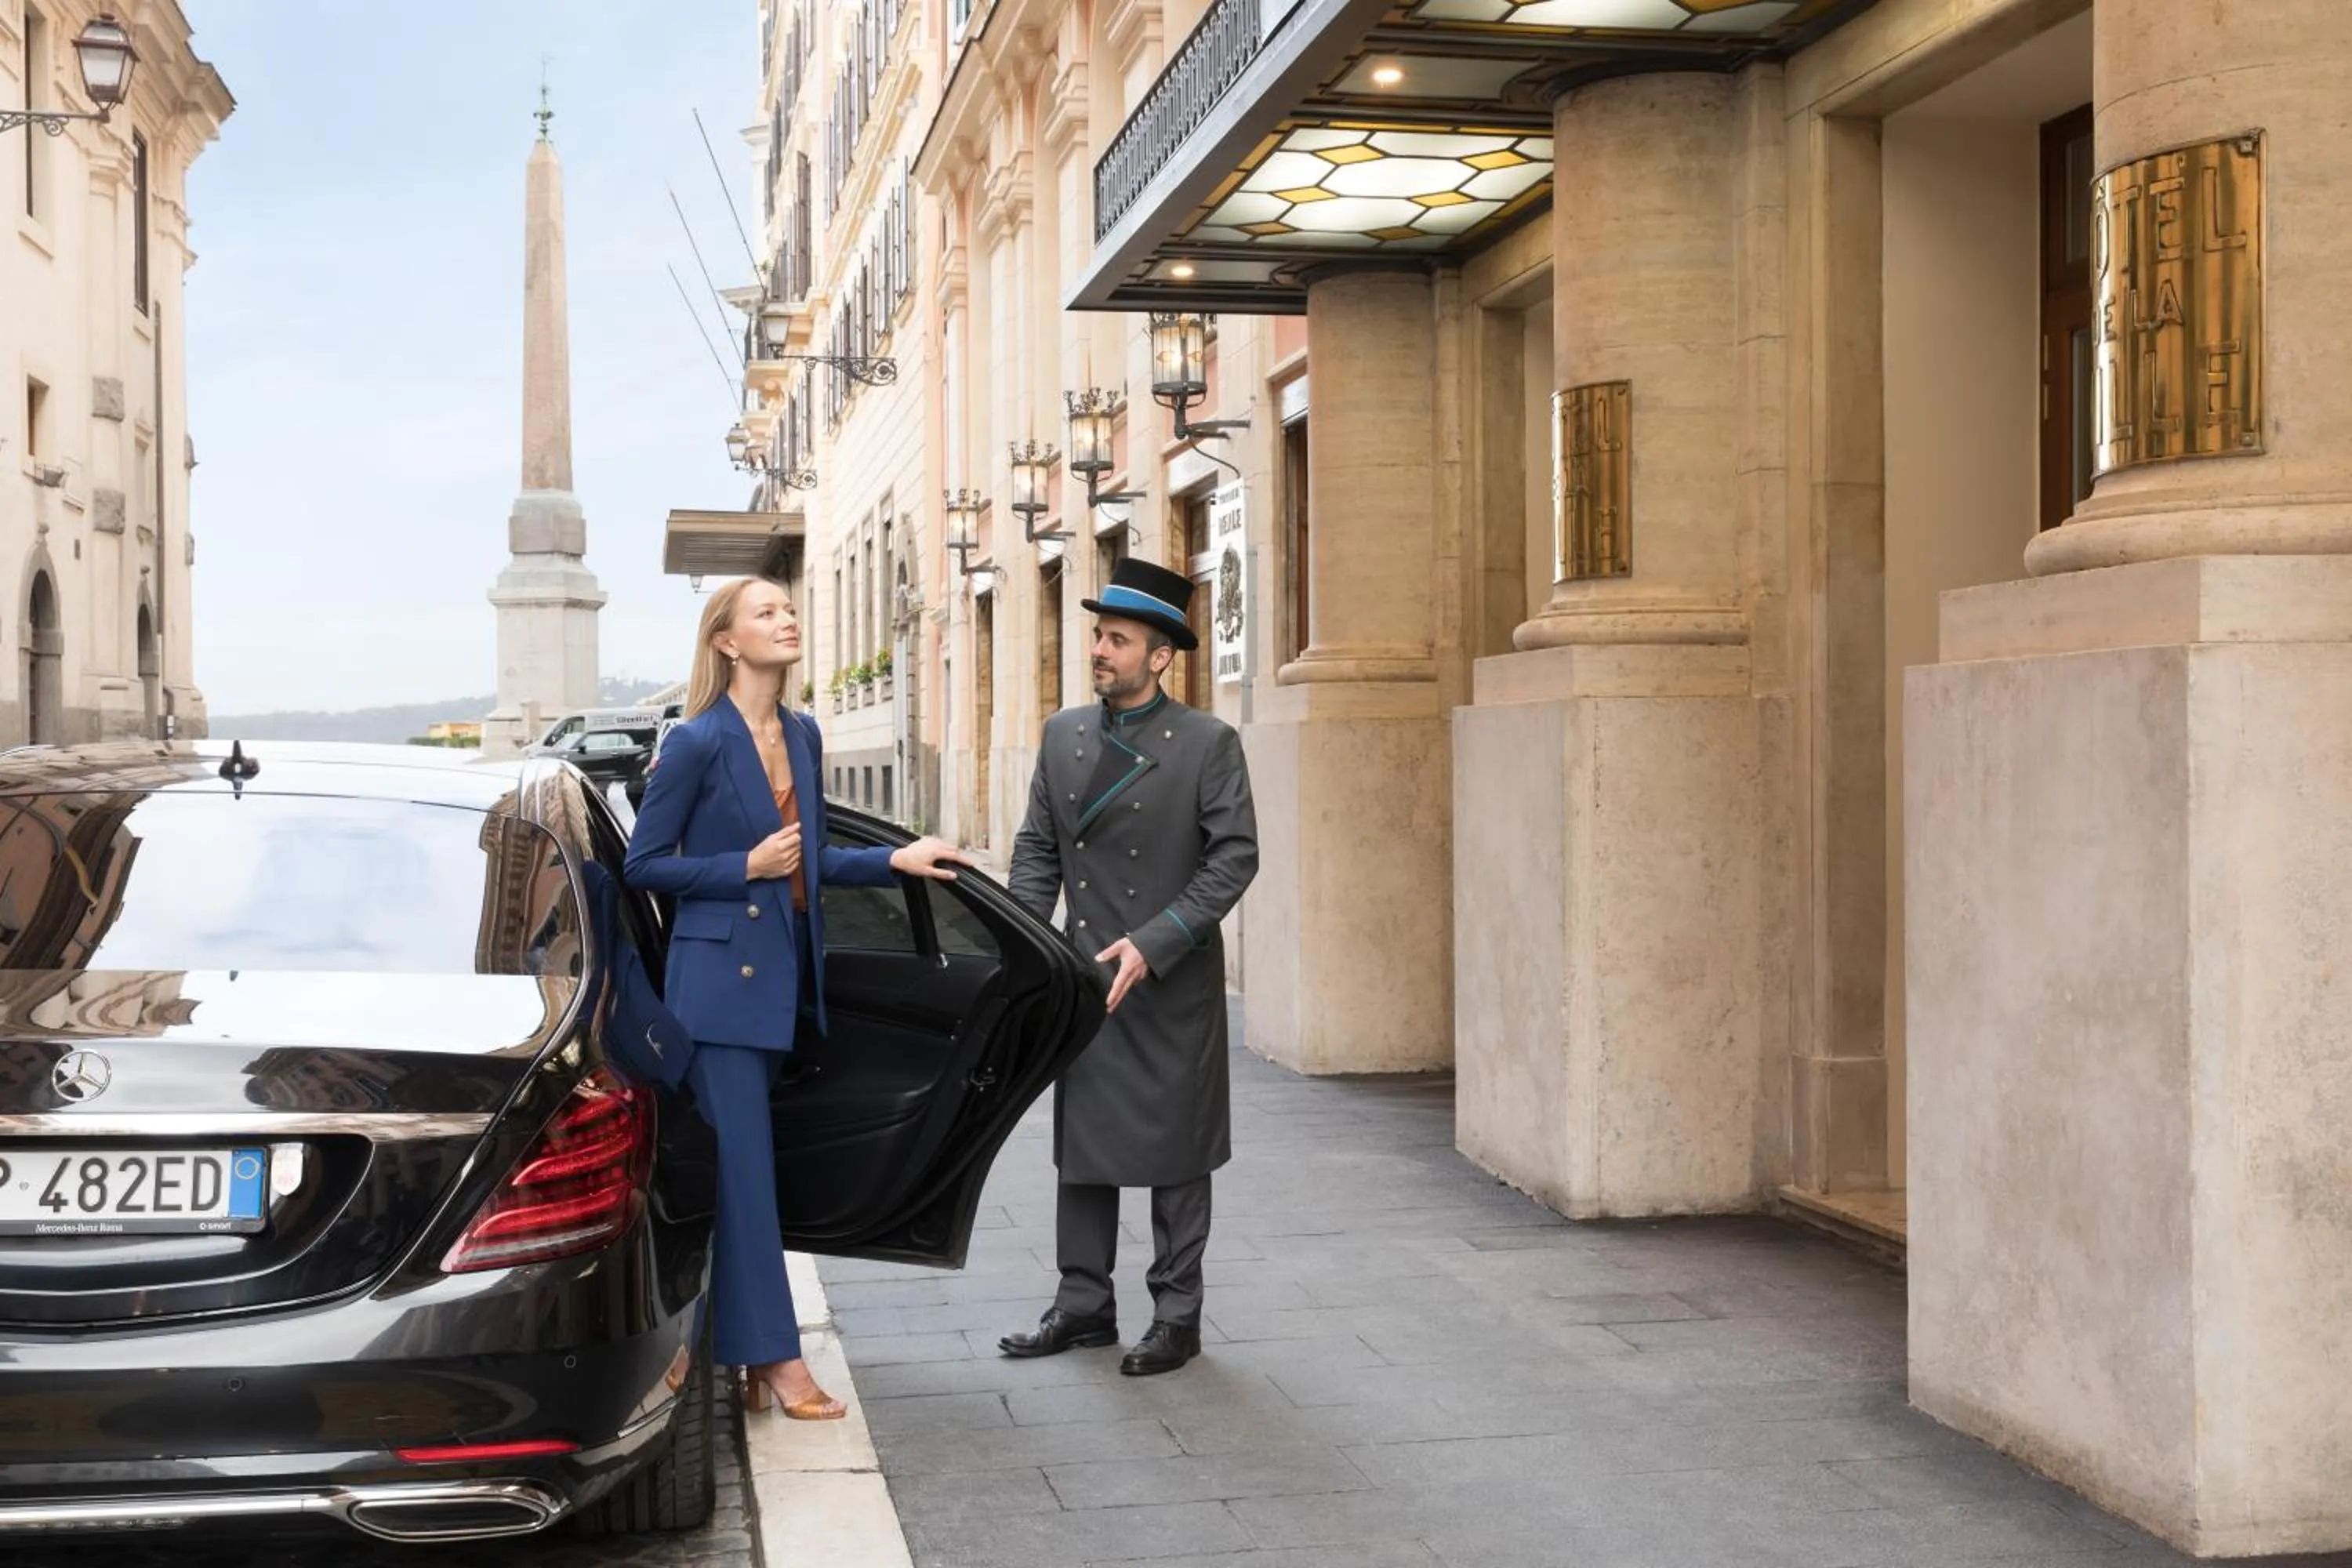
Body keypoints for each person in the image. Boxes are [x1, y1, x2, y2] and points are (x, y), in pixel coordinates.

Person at [625, 575, 974, 1418]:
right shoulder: (696, 742)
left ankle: (744, 1356)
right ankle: (777, 1361)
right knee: (748, 1180)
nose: (785, 619)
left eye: (788, 608)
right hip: (715, 995)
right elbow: (643, 865)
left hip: (783, 984)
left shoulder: (804, 732)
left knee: (755, 1177)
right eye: (765, 612)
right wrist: (740, 868)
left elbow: (808, 857)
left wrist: (892, 859)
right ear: (727, 642)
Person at [998, 559, 1260, 1377]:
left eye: (1117, 638)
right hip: (1085, 973)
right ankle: (1083, 1304)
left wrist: (1158, 939)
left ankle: (1177, 1316)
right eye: (1099, 634)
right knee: (1084, 1145)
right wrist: (1019, 944)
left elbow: (1235, 858)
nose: (1100, 649)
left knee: (1177, 1149)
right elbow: (1038, 848)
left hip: (1171, 975)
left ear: (1160, 656)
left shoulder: (1209, 743)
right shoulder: (1062, 733)